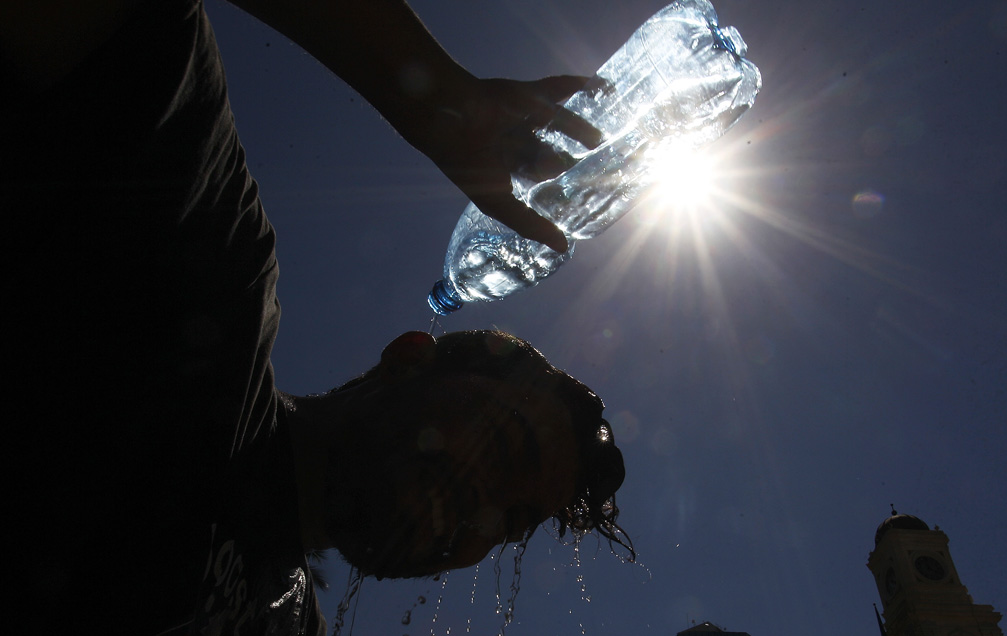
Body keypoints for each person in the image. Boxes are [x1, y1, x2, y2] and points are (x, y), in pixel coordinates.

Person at [1, 0, 629, 634]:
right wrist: (435, 95)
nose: (486, 514)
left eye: (515, 521)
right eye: (502, 446)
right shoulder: (209, 302)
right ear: (406, 359)